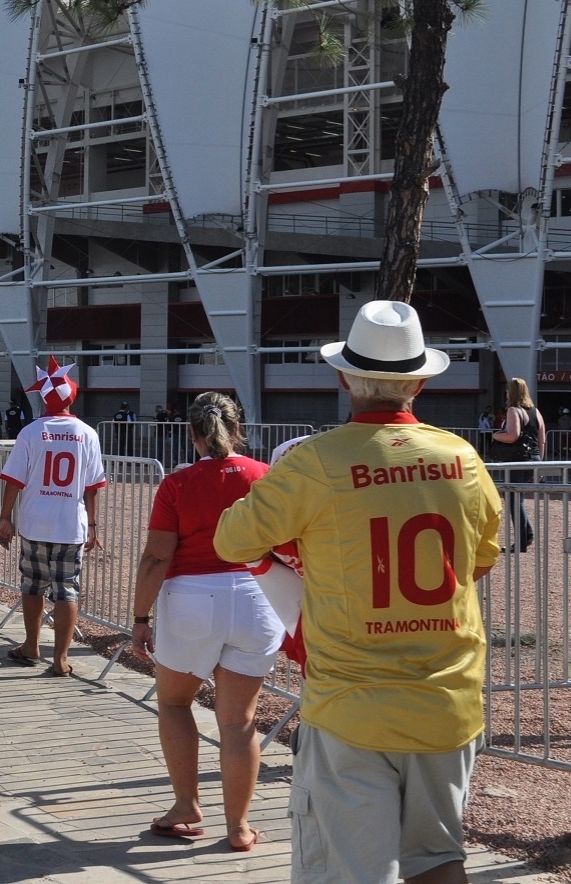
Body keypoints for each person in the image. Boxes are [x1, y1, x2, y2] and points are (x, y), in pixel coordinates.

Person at [214, 300, 501, 884]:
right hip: (447, 701)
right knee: (439, 858)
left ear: (344, 378)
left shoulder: (316, 462)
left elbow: (232, 539)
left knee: (347, 870)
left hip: (351, 705)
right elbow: (480, 558)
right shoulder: (461, 458)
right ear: (419, 383)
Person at [129, 392, 279, 847]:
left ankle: (186, 804)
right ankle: (239, 826)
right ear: (238, 429)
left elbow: (157, 556)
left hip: (192, 599)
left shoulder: (177, 483)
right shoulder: (265, 476)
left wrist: (140, 617)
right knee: (239, 721)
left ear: (192, 433)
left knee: (175, 703)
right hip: (255, 596)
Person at [0, 357, 106, 677]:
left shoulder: (31, 432)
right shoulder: (87, 434)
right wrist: (93, 525)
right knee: (67, 591)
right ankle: (61, 659)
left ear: (44, 398)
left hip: (35, 522)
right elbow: (92, 487)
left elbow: (14, 480)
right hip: (71, 524)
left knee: (32, 586)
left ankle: (32, 646)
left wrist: (4, 517)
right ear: (72, 396)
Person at [491, 377, 545, 553]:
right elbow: (542, 440)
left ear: (511, 392)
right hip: (534, 458)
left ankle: (522, 540)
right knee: (517, 498)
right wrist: (539, 464)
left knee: (514, 499)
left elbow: (512, 436)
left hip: (518, 459)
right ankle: (527, 533)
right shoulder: (536, 412)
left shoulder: (513, 410)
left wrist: (495, 435)